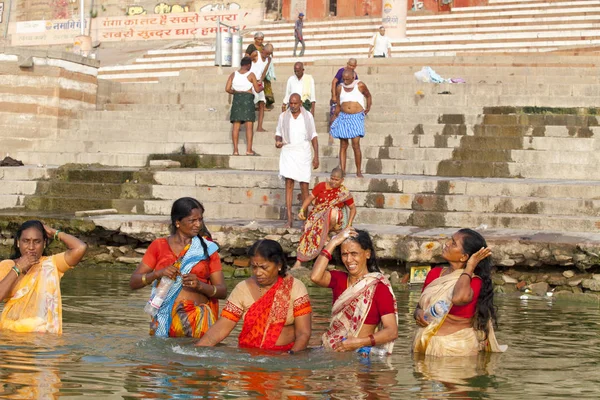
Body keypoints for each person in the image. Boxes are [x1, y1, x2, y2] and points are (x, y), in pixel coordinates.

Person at [130, 197, 227, 338]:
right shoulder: (158, 246)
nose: (198, 224)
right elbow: (134, 282)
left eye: (200, 219)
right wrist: (158, 274)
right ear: (177, 222)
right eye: (192, 220)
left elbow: (222, 291)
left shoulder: (207, 249)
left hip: (198, 323)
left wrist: (200, 286)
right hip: (164, 321)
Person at [196, 239, 312, 352]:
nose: (258, 272)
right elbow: (223, 326)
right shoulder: (242, 288)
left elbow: (303, 333)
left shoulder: (294, 287)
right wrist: (197, 350)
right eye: (254, 267)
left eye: (264, 267)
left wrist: (291, 356)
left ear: (279, 265)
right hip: (249, 357)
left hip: (283, 358)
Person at [412, 229, 508, 356]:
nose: (446, 244)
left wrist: (470, 267)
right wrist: (418, 313)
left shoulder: (474, 281)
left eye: (453, 243)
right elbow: (420, 305)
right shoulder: (435, 273)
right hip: (423, 344)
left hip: (456, 349)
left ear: (464, 257)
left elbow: (458, 298)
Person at [311, 227, 398, 355]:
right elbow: (315, 277)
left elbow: (392, 331)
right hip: (331, 350)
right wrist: (333, 242)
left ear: (367, 253)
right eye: (344, 254)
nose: (349, 260)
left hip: (358, 355)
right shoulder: (339, 279)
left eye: (354, 254)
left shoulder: (379, 287)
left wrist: (360, 342)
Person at [0, 220, 88, 333]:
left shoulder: (50, 265)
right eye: (26, 241)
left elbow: (80, 248)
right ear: (18, 243)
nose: (31, 247)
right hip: (10, 337)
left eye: (37, 241)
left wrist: (54, 232)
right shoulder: (7, 266)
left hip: (41, 339)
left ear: (44, 243)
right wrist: (18, 268)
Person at [293, 167, 356, 269]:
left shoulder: (343, 192)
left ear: (342, 180)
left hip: (335, 222)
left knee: (334, 211)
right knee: (309, 231)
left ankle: (326, 232)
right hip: (317, 216)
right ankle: (300, 261)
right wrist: (302, 210)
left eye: (336, 180)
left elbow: (353, 209)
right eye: (332, 178)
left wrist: (348, 225)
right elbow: (310, 198)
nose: (333, 181)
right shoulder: (321, 186)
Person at [275, 93, 320, 228]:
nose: (293, 106)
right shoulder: (283, 116)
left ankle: (305, 219)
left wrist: (316, 156)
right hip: (288, 150)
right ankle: (289, 219)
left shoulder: (308, 116)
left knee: (304, 185)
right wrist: (278, 141)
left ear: (300, 103)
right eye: (291, 103)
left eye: (295, 103)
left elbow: (313, 136)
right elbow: (278, 134)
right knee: (289, 184)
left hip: (303, 152)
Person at [330, 69, 372, 178]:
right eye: (344, 79)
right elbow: (338, 104)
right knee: (343, 145)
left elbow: (368, 95)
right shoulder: (340, 87)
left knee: (355, 144)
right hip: (344, 117)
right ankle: (342, 171)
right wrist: (335, 115)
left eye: (347, 79)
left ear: (353, 77)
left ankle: (358, 171)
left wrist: (368, 107)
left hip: (356, 116)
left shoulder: (360, 85)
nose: (345, 81)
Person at [225, 56, 263, 156]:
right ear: (248, 65)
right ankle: (249, 150)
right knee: (249, 126)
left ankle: (235, 151)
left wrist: (235, 92)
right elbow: (257, 89)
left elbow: (227, 89)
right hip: (248, 100)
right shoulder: (251, 75)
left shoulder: (233, 74)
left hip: (237, 100)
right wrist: (262, 87)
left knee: (236, 126)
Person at [250, 44, 273, 132]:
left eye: (269, 54)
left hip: (259, 82)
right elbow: (245, 63)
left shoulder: (269, 59)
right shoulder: (255, 54)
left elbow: (264, 71)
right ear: (263, 50)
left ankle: (259, 127)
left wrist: (261, 80)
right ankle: (241, 125)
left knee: (262, 103)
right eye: (266, 53)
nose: (267, 55)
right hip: (250, 82)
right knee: (248, 103)